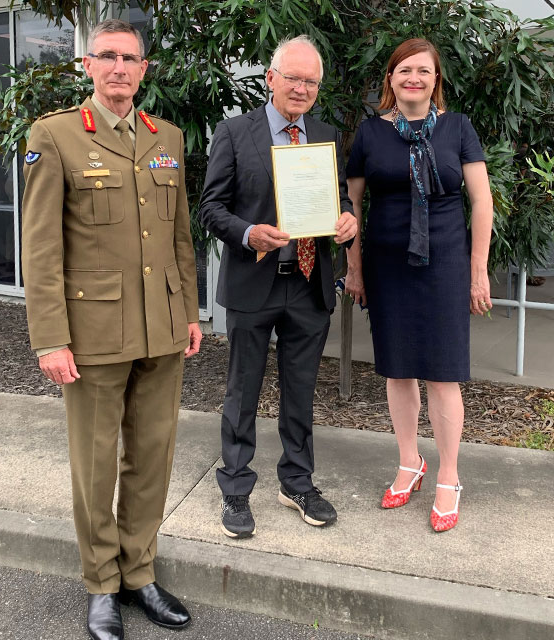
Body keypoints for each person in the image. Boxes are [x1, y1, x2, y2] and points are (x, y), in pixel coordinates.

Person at [21, 19, 202, 640]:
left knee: (152, 457)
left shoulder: (166, 138)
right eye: (108, 57)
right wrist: (50, 337)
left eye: (130, 59)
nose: (120, 68)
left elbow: (178, 236)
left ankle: (139, 573)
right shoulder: (56, 136)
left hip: (162, 327)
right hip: (92, 331)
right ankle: (100, 583)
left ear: (144, 69)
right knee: (96, 463)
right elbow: (40, 248)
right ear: (87, 65)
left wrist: (190, 314)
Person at [199, 35, 358, 539]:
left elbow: (338, 200)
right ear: (271, 78)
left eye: (311, 81)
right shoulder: (234, 133)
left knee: (301, 391)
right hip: (254, 280)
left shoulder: (325, 134)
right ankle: (236, 486)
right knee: (243, 390)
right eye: (293, 77)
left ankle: (297, 481)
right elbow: (211, 208)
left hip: (308, 284)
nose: (302, 88)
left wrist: (349, 220)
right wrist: (248, 233)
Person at [344, 38, 493, 532]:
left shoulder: (457, 128)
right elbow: (353, 208)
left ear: (435, 80)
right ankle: (410, 461)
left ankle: (448, 474)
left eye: (423, 71)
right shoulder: (369, 134)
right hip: (387, 263)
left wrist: (478, 270)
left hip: (446, 263)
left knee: (443, 372)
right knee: (398, 369)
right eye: (404, 69)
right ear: (390, 79)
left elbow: (481, 202)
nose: (414, 77)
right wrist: (355, 268)